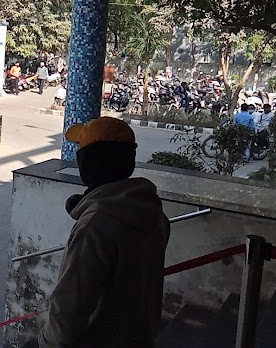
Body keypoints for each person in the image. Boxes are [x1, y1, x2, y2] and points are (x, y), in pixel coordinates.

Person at [28, 117, 170, 348]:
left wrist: (45, 343)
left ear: (86, 163)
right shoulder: (153, 212)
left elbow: (70, 307)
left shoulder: (95, 226)